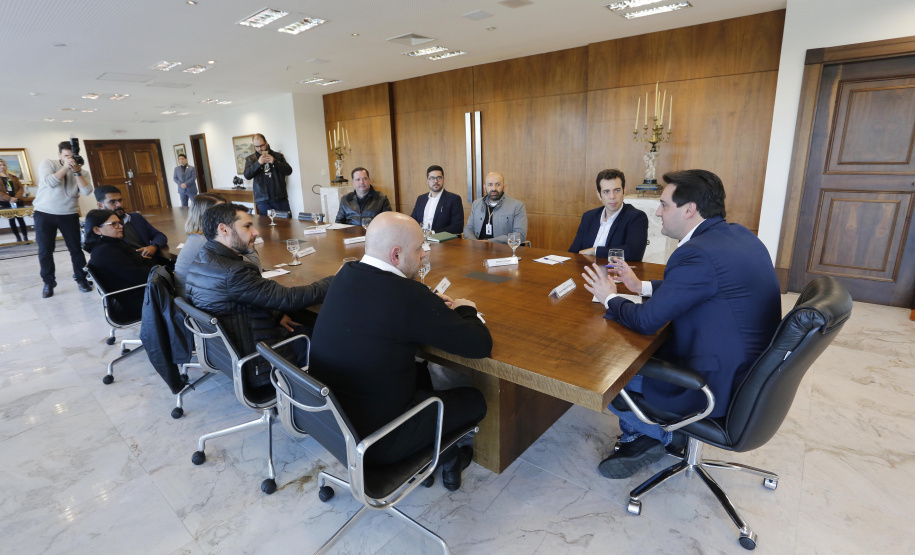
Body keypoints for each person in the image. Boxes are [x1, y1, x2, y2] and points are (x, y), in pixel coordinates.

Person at [582, 169, 781, 479]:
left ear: (689, 209)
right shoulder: (737, 235)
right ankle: (659, 432)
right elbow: (701, 284)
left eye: (665, 205)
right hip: (749, 372)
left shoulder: (696, 253)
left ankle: (657, 436)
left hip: (714, 382)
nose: (659, 212)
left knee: (604, 371)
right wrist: (642, 287)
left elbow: (646, 321)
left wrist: (610, 298)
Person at [310, 212, 492, 491]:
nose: (424, 254)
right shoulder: (407, 297)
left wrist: (426, 302)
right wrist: (466, 308)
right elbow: (479, 345)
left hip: (332, 424)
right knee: (475, 399)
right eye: (420, 249)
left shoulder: (345, 273)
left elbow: (383, 304)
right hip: (379, 441)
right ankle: (447, 454)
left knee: (419, 372)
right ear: (396, 255)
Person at [185, 203, 332, 366]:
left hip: (231, 352)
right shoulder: (233, 272)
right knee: (329, 334)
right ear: (224, 229)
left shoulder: (202, 258)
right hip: (259, 359)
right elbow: (289, 299)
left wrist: (276, 315)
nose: (256, 232)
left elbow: (245, 299)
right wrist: (335, 281)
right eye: (247, 226)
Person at [34, 140, 94, 298]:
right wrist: (66, 166)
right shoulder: (48, 164)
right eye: (67, 156)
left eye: (72, 156)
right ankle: (48, 282)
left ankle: (81, 279)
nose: (70, 159)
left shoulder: (82, 171)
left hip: (68, 214)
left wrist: (76, 172)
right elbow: (50, 183)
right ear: (59, 155)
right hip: (44, 213)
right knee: (45, 250)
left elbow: (87, 191)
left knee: (75, 249)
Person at [173, 193, 261, 298]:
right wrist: (249, 244)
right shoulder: (207, 241)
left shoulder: (197, 237)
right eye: (221, 210)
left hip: (195, 299)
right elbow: (255, 271)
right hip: (199, 302)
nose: (227, 214)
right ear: (206, 214)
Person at [83, 209, 156, 318]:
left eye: (119, 223)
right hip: (141, 301)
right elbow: (140, 276)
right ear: (97, 230)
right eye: (114, 224)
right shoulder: (107, 251)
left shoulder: (109, 245)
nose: (120, 226)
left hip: (137, 295)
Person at [569, 169, 648, 261]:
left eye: (617, 190)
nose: (612, 196)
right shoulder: (588, 217)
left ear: (624, 191)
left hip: (615, 273)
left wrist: (595, 251)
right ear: (599, 195)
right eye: (606, 191)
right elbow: (574, 252)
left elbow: (634, 253)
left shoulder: (636, 217)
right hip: (586, 271)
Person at [94, 185, 171, 267]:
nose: (119, 205)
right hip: (132, 269)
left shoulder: (135, 217)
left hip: (153, 263)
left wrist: (153, 246)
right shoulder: (102, 229)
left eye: (120, 200)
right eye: (112, 202)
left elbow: (160, 236)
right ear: (100, 205)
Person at [463, 171, 527, 244]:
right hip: (477, 250)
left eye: (498, 184)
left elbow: (520, 236)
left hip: (503, 251)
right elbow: (468, 229)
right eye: (490, 185)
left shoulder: (517, 206)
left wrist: (488, 242)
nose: (494, 188)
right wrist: (475, 244)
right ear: (485, 187)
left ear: (504, 187)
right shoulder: (476, 204)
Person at [244, 134, 293, 215]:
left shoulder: (278, 156)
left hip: (280, 198)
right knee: (267, 226)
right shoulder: (251, 159)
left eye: (261, 145)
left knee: (287, 225)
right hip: (262, 200)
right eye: (256, 146)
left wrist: (275, 162)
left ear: (266, 143)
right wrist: (258, 163)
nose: (259, 149)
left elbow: (289, 171)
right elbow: (247, 175)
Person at [409, 165, 464, 234]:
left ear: (444, 179)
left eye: (439, 178)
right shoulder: (421, 199)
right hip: (420, 238)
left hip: (441, 242)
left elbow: (457, 227)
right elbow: (412, 221)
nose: (436, 181)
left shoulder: (454, 199)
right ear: (427, 181)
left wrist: (432, 233)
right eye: (432, 178)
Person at [0, 158, 28, 242]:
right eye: (0, 165)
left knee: (21, 219)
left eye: (4, 165)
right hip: (6, 202)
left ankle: (25, 236)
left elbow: (20, 187)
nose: (2, 167)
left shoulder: (13, 176)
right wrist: (10, 198)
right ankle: (17, 237)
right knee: (11, 220)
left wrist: (16, 197)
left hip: (17, 200)